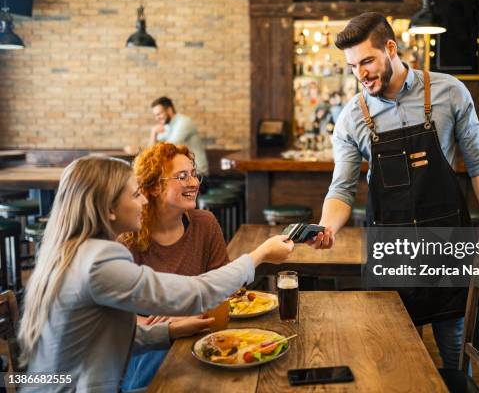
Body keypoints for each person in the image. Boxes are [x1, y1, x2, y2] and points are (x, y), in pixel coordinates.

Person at [309, 12, 479, 370]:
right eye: (352, 66)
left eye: (366, 60)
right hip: (392, 250)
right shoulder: (351, 118)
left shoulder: (449, 92)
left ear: (391, 48)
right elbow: (342, 189)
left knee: (456, 350)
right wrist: (327, 226)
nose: (360, 74)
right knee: (392, 358)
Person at [17, 156, 293, 392]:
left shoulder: (69, 251)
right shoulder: (99, 260)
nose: (144, 202)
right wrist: (260, 255)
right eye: (136, 194)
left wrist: (169, 331)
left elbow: (100, 337)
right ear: (109, 209)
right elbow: (197, 292)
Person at [119, 143, 229, 390]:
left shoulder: (205, 224)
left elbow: (224, 291)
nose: (194, 183)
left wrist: (186, 313)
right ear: (155, 187)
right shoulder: (127, 236)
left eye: (193, 174)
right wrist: (164, 326)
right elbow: (115, 318)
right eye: (182, 176)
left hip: (201, 340)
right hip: (145, 353)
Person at [149, 96, 209, 176]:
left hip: (197, 174)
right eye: (155, 115)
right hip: (182, 173)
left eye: (159, 114)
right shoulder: (167, 126)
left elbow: (168, 148)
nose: (157, 118)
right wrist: (153, 133)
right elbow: (151, 152)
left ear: (169, 110)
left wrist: (154, 132)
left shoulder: (184, 122)